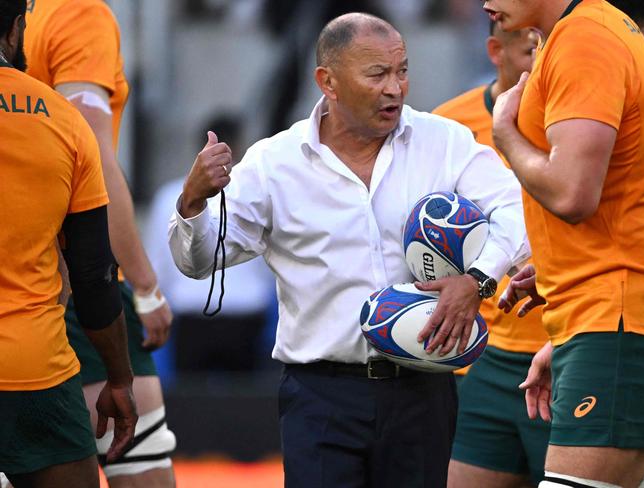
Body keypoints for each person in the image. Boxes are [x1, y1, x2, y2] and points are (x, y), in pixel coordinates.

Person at [169, 12, 529, 487]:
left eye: (401, 70)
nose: (395, 88)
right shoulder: (274, 163)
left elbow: (515, 210)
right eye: (377, 74)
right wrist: (193, 200)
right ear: (328, 82)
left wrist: (476, 279)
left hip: (423, 391)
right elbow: (200, 261)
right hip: (320, 395)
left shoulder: (443, 140)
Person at [487, 0, 644, 487]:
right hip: (606, 317)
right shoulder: (595, 30)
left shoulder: (586, 38)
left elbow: (572, 192)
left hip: (616, 318)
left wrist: (505, 134)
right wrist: (559, 273)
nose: (485, 3)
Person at [23, 1, 176, 486]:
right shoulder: (75, 13)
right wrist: (147, 285)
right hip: (66, 284)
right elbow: (89, 153)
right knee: (139, 465)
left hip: (18, 279)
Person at [0, 1, 137, 487]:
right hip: (36, 372)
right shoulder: (61, 118)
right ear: (16, 30)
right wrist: (119, 378)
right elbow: (94, 274)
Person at [433, 21, 550, 488]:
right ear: (494, 50)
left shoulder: (585, 123)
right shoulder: (449, 126)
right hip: (483, 356)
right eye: (529, 54)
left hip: (569, 345)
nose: (541, 69)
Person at [146, 114, 277, 374]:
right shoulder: (257, 194)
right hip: (246, 313)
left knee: (191, 407)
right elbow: (270, 262)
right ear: (239, 147)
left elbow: (157, 266)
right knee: (248, 407)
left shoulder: (168, 196)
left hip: (192, 314)